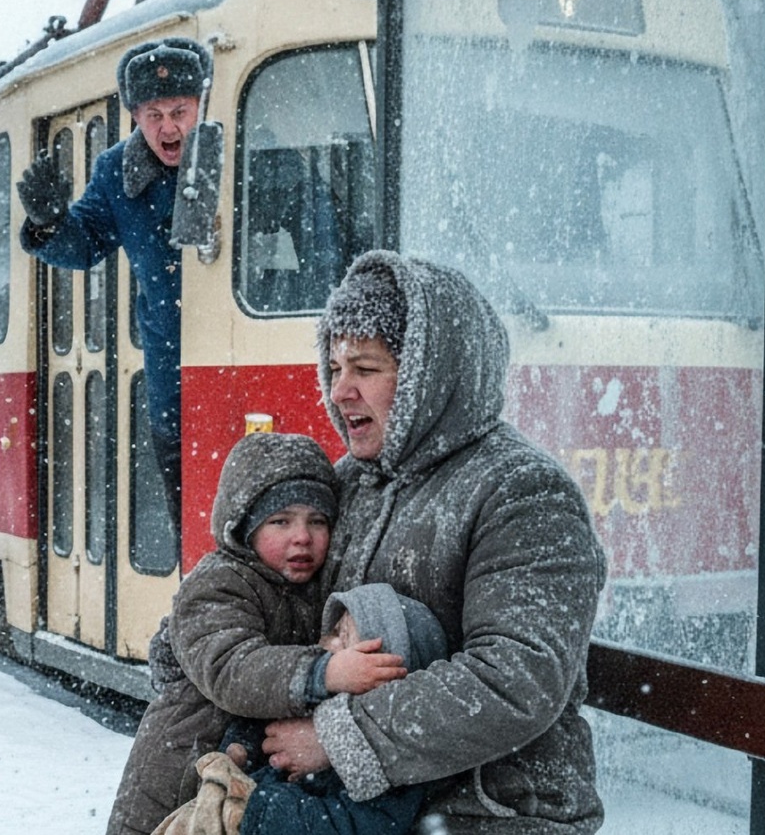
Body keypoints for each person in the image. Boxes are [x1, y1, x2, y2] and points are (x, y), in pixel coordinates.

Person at [262, 250, 609, 832]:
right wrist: (210, 631)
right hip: (366, 809)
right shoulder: (351, 483)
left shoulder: (523, 492)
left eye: (365, 368)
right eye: (335, 367)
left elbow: (515, 679)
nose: (339, 390)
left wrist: (338, 736)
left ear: (429, 376)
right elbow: (276, 595)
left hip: (491, 813)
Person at [105, 432, 405, 835]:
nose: (302, 536)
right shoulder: (217, 583)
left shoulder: (312, 590)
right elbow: (233, 669)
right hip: (182, 773)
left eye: (317, 521)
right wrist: (324, 671)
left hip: (237, 777)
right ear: (244, 527)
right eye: (280, 521)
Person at [16, 36, 212, 532]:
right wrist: (49, 223)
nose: (168, 127)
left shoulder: (235, 147)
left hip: (236, 358)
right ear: (134, 117)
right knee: (191, 527)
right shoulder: (116, 172)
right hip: (170, 384)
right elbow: (83, 244)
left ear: (201, 105)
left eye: (179, 111)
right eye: (153, 115)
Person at [153, 582, 449, 835]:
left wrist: (255, 807)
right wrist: (242, 751)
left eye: (344, 638)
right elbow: (261, 726)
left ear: (387, 673)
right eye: (334, 630)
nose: (326, 642)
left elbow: (350, 826)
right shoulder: (317, 701)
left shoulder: (384, 757)